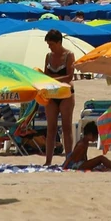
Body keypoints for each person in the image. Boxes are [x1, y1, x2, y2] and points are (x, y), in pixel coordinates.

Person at [43, 29, 75, 166]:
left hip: (66, 94)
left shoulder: (69, 55)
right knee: (51, 129)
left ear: (59, 42)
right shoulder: (48, 56)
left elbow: (69, 76)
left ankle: (68, 159)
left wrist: (52, 79)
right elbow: (44, 75)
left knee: (66, 127)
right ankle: (48, 161)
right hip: (51, 94)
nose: (50, 47)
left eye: (51, 44)